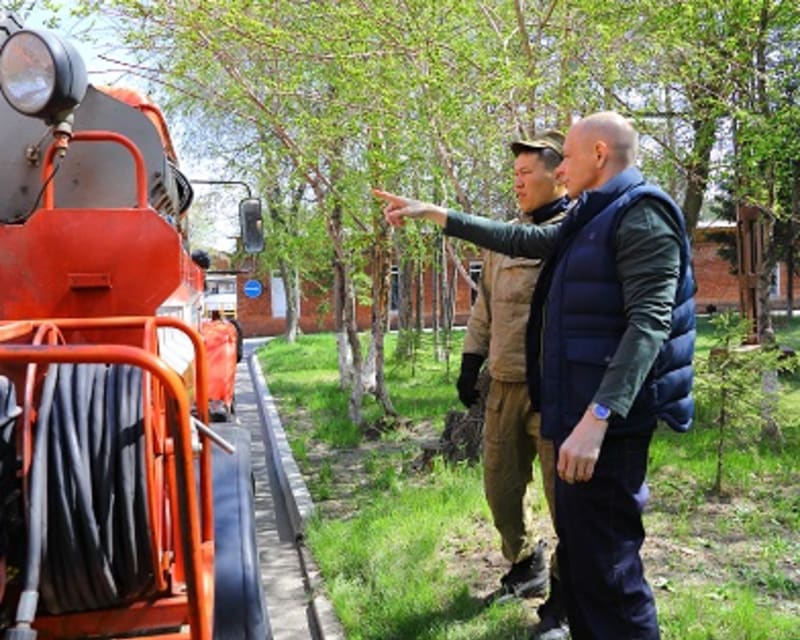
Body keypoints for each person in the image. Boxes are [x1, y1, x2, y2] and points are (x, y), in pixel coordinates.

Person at [374, 111, 696, 640]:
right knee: (587, 566)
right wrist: (436, 214)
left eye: (566, 157)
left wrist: (597, 419)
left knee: (611, 574)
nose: (561, 169)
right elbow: (519, 240)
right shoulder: (593, 214)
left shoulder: (642, 214)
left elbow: (649, 325)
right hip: (575, 415)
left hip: (605, 426)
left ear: (599, 154)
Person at [457, 131, 569, 635]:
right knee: (500, 489)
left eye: (526, 174)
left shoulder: (576, 234)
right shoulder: (506, 240)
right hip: (503, 387)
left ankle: (566, 593)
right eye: (515, 175)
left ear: (558, 174)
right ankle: (526, 564)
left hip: (554, 391)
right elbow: (484, 305)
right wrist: (471, 360)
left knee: (566, 500)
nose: (517, 184)